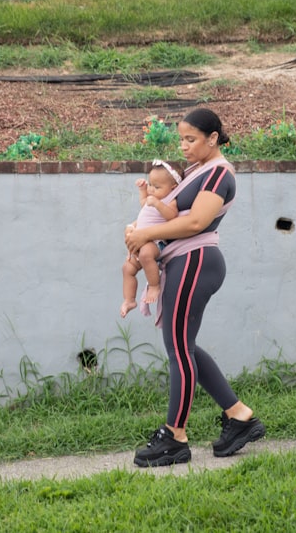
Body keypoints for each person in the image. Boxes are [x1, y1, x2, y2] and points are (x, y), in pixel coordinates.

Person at [123, 108, 265, 467]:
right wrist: (137, 230)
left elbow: (197, 222)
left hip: (196, 261)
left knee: (178, 349)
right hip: (187, 262)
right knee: (182, 346)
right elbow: (169, 215)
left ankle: (175, 437)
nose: (183, 146)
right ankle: (239, 416)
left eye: (191, 139)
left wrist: (146, 235)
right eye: (181, 139)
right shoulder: (198, 172)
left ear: (213, 138)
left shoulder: (218, 173)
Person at [120, 159, 184, 318]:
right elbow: (144, 204)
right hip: (140, 242)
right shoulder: (151, 197)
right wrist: (143, 190)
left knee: (145, 255)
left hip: (155, 243)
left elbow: (172, 215)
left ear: (173, 188)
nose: (152, 190)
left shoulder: (170, 200)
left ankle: (154, 286)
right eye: (150, 184)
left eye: (156, 187)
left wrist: (157, 204)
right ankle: (129, 300)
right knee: (127, 268)